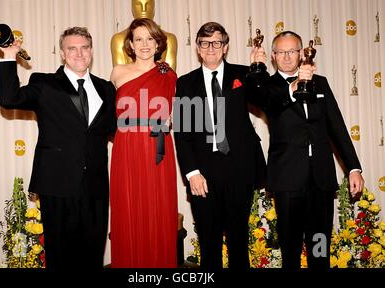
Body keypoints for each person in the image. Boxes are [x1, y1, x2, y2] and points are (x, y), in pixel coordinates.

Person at [0, 26, 116, 269]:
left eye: (84, 48)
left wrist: (154, 124)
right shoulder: (44, 83)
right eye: (72, 48)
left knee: (93, 255)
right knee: (60, 258)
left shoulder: (106, 88)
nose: (79, 54)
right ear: (62, 53)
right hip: (57, 185)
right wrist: (9, 56)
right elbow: (9, 99)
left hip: (95, 187)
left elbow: (117, 129)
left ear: (91, 51)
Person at [258, 30, 364, 268]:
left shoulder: (321, 83)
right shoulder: (267, 87)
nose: (287, 57)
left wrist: (353, 168)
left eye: (292, 51)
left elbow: (336, 127)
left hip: (321, 181)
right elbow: (272, 106)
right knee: (291, 250)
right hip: (287, 181)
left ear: (302, 53)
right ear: (273, 56)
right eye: (281, 52)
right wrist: (294, 87)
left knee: (319, 247)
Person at [173, 22, 267, 269]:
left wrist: (258, 70)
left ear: (225, 47)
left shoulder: (244, 74)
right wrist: (192, 172)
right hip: (203, 172)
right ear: (198, 48)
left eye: (216, 42)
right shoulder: (185, 83)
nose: (211, 48)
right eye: (205, 43)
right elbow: (182, 133)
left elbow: (266, 99)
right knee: (208, 241)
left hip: (239, 167)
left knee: (238, 238)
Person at [109, 18, 178, 267]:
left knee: (157, 210)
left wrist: (171, 119)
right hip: (126, 148)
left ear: (158, 42)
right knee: (127, 208)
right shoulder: (118, 72)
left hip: (157, 147)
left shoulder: (169, 74)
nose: (145, 44)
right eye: (139, 38)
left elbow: (176, 115)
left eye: (150, 38)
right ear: (130, 44)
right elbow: (108, 115)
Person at [111, 0, 178, 71]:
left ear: (154, 7)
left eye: (148, 4)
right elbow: (120, 77)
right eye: (138, 4)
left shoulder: (169, 38)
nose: (143, 9)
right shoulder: (119, 39)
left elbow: (169, 76)